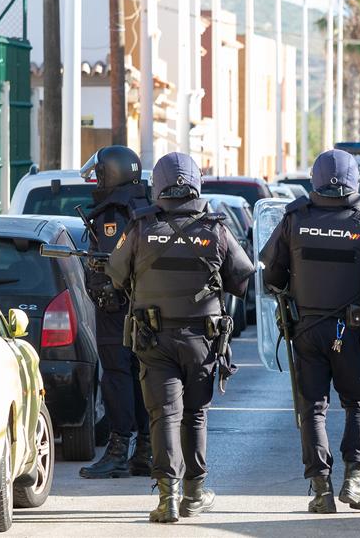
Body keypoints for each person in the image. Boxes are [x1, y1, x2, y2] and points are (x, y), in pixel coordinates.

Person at [107, 152, 255, 523]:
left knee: (163, 417)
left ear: (158, 185)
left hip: (154, 340)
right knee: (195, 416)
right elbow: (242, 279)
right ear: (196, 182)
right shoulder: (217, 228)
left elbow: (116, 275)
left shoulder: (140, 227)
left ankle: (167, 499)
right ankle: (193, 494)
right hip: (202, 342)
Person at [260, 149, 360, 514]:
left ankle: (321, 489)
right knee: (359, 402)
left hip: (306, 330)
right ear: (354, 180)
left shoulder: (295, 219)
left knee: (311, 407)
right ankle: (354, 482)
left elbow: (271, 277)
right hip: (351, 330)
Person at [77, 145, 152, 480]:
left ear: (112, 173)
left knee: (116, 377)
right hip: (145, 309)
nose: (95, 179)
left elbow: (111, 268)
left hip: (117, 309)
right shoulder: (144, 206)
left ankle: (119, 448)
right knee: (140, 376)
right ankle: (146, 449)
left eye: (99, 173)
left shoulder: (112, 215)